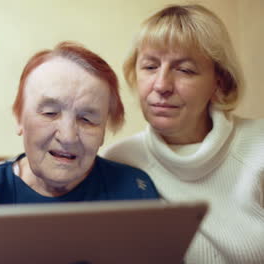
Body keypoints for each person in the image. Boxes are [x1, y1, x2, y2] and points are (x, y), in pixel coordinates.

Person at [101, 4, 264, 263]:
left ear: (218, 81)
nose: (162, 85)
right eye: (150, 67)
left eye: (185, 70)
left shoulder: (259, 145)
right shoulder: (118, 161)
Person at [0, 42, 159, 205]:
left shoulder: (134, 189)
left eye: (87, 120)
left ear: (104, 129)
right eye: (50, 113)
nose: (68, 137)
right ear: (19, 118)